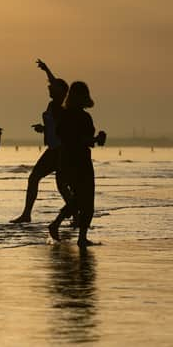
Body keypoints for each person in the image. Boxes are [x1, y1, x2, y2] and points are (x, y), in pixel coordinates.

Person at [11, 59, 74, 223]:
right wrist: (44, 129)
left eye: (52, 88)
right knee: (57, 185)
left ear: (61, 92)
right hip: (54, 150)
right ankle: (76, 215)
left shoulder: (60, 108)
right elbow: (56, 128)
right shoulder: (52, 105)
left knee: (55, 184)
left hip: (59, 151)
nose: (49, 88)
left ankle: (27, 215)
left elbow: (63, 131)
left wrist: (47, 70)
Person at [48, 82, 105, 248]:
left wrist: (96, 139)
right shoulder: (75, 116)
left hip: (72, 160)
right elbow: (74, 139)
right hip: (76, 160)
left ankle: (76, 234)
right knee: (84, 199)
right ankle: (61, 226)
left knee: (81, 199)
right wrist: (94, 139)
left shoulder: (72, 115)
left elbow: (85, 140)